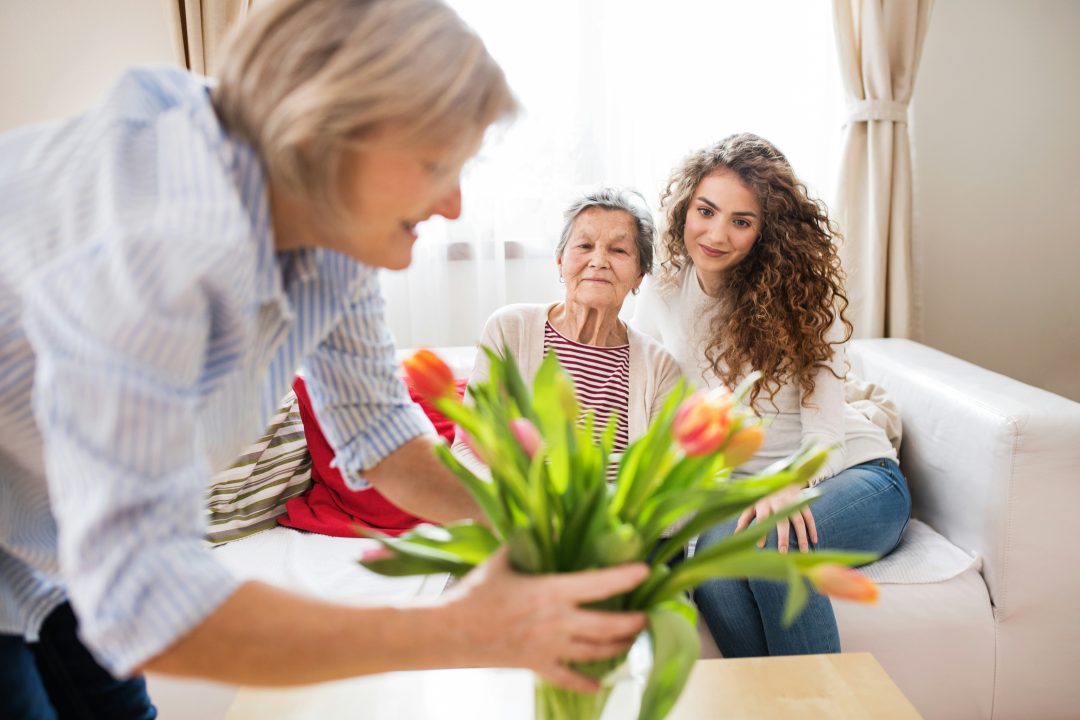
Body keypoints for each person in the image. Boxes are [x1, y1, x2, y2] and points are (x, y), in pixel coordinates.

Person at [0, 1, 648, 717]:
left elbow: (382, 436)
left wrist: (533, 521)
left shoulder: (327, 225)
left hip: (54, 540)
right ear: (324, 133)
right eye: (436, 164)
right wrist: (460, 631)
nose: (457, 206)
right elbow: (152, 605)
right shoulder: (153, 248)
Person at [633, 133, 911, 657]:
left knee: (770, 544)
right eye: (706, 211)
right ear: (685, 208)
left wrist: (787, 486)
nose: (716, 234)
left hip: (853, 476)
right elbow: (650, 404)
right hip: (744, 497)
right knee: (711, 564)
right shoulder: (664, 290)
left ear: (768, 231)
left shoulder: (804, 299)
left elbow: (827, 433)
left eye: (742, 221)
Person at [451, 188, 682, 477]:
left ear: (639, 274)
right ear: (560, 261)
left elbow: (661, 475)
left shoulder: (659, 366)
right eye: (584, 246)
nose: (598, 261)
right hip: (521, 515)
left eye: (619, 250)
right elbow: (467, 448)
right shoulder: (510, 328)